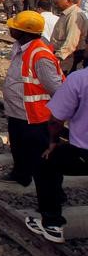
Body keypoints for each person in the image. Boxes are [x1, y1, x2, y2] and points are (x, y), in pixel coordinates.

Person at [0, 11, 64, 188]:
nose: (10, 29)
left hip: (36, 117)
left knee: (42, 159)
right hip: (19, 113)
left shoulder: (40, 55)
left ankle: (53, 195)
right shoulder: (21, 47)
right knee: (19, 149)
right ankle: (21, 175)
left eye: (14, 27)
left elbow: (57, 89)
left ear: (24, 32)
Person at [25, 68, 88, 243]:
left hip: (83, 152)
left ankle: (52, 223)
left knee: (45, 163)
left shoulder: (79, 79)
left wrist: (53, 142)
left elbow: (56, 119)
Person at [50, 0, 88, 73]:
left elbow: (71, 42)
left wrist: (57, 58)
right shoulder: (67, 13)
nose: (57, 0)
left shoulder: (74, 16)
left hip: (68, 58)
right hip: (64, 56)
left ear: (68, 1)